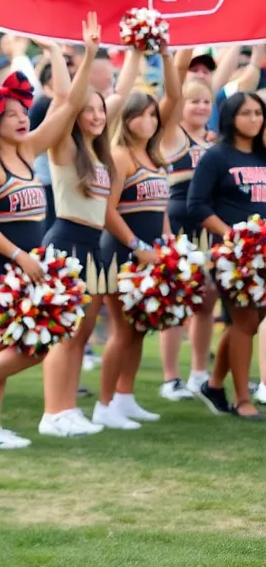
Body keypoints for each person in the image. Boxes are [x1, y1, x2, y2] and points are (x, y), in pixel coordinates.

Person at [0, 32, 97, 449]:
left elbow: (68, 105)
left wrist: (62, 53)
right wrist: (20, 257)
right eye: (13, 113)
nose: (22, 118)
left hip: (24, 265)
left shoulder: (29, 150)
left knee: (20, 345)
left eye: (24, 111)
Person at [38, 47, 140, 437]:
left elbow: (123, 89)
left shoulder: (98, 153)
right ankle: (53, 412)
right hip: (66, 240)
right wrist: (87, 56)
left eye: (102, 110)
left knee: (79, 335)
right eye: (90, 109)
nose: (98, 115)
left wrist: (135, 50)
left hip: (92, 246)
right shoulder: (63, 146)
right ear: (75, 114)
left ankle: (67, 409)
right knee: (63, 335)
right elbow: (67, 99)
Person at [93, 76, 179, 429]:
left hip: (152, 253)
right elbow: (108, 211)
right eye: (142, 115)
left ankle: (125, 397)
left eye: (153, 115)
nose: (150, 121)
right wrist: (137, 246)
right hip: (121, 253)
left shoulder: (155, 156)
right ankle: (104, 403)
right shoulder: (119, 155)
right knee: (123, 329)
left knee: (140, 327)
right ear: (126, 120)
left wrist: (170, 243)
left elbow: (161, 209)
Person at [189, 92, 266, 420]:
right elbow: (197, 205)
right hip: (231, 255)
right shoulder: (216, 156)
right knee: (244, 321)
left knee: (247, 323)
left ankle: (214, 383)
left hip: (262, 254)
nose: (254, 119)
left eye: (259, 113)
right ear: (230, 117)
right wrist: (233, 236)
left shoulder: (263, 156)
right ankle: (241, 398)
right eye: (246, 113)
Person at [158, 49, 216, 400]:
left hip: (206, 225)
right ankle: (170, 379)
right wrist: (178, 53)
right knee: (177, 302)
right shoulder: (171, 136)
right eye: (194, 101)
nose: (201, 107)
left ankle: (199, 373)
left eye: (207, 102)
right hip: (177, 224)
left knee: (207, 300)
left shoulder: (213, 142)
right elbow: (174, 88)